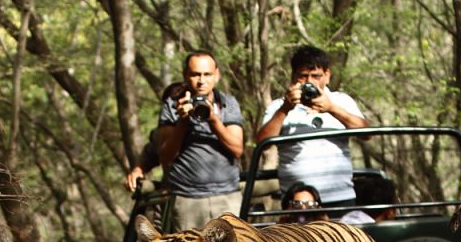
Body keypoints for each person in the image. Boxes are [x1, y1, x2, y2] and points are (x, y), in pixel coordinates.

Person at [137, 51, 244, 229]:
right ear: (186, 76)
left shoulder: (228, 103)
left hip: (227, 197)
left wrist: (213, 119)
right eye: (195, 74)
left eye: (207, 74)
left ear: (216, 75)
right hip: (187, 200)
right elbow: (166, 157)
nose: (201, 80)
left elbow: (237, 149)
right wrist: (183, 122)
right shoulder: (172, 106)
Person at [256, 45, 368, 215]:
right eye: (303, 76)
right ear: (293, 77)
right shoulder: (279, 106)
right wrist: (285, 109)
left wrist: (332, 108)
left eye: (316, 76)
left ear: (327, 76)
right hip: (297, 202)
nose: (309, 82)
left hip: (340, 197)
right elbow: (262, 143)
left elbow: (368, 134)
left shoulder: (341, 101)